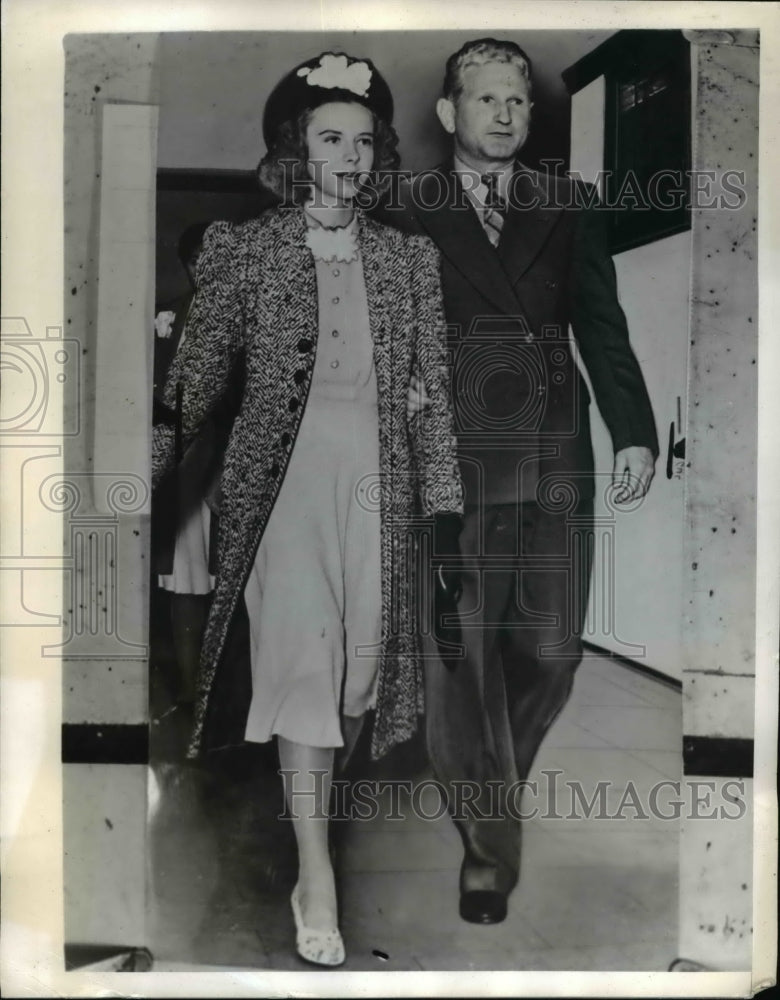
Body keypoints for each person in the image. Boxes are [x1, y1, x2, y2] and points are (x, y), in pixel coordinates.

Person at [151, 51, 463, 966]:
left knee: (362, 675)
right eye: (331, 138)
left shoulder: (410, 260)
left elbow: (432, 393)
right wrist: (142, 473)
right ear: (295, 147)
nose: (352, 157)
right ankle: (315, 873)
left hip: (376, 481)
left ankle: (322, 798)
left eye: (365, 141)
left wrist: (442, 510)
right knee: (302, 668)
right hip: (278, 484)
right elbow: (196, 381)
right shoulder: (244, 250)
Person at [377, 38, 659, 924]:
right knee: (460, 661)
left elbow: (602, 329)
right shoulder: (402, 207)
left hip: (552, 450)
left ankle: (488, 789)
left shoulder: (569, 204)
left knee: (549, 653)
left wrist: (635, 433)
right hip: (448, 456)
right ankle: (488, 850)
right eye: (488, 98)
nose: (507, 114)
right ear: (448, 112)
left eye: (521, 101)